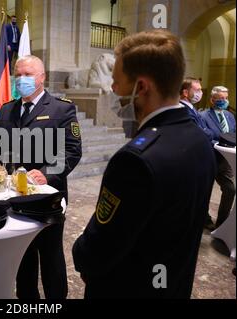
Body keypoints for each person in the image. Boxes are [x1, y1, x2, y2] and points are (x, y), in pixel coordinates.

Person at [72, 30, 216, 298]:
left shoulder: (135, 160)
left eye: (116, 81)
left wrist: (80, 250)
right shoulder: (199, 139)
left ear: (142, 87)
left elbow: (98, 250)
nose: (113, 89)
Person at [0, 55, 82, 299]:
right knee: (23, 259)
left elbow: (71, 150)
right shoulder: (7, 109)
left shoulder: (62, 108)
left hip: (47, 200)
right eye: (18, 74)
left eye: (28, 74)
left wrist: (47, 173)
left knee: (51, 258)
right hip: (14, 198)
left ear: (42, 77)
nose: (22, 79)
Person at [179, 77, 216, 230]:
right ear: (185, 92)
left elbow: (207, 131)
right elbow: (202, 133)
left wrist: (208, 133)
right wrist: (209, 133)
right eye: (198, 89)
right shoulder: (182, 109)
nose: (201, 93)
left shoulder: (192, 108)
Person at [201, 86, 236, 229]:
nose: (224, 101)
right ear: (212, 100)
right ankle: (205, 219)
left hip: (227, 161)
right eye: (221, 98)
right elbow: (204, 136)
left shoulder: (230, 116)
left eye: (226, 98)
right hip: (210, 158)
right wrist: (219, 143)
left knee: (230, 189)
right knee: (205, 191)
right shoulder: (203, 116)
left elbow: (233, 134)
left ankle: (221, 222)